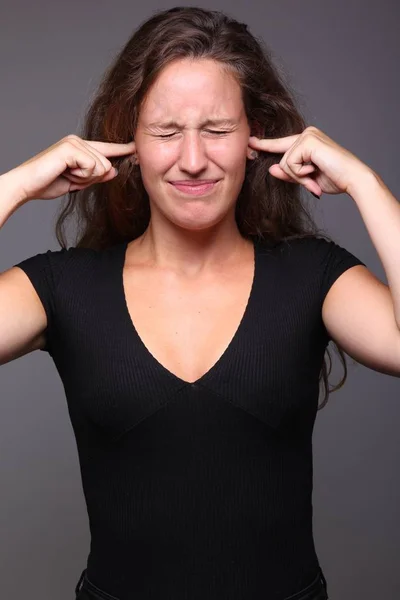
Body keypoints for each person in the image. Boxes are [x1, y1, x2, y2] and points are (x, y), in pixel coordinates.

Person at [1, 6, 399, 600]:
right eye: (165, 132)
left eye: (216, 130)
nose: (192, 160)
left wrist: (365, 182)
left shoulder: (313, 275)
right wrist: (17, 184)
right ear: (129, 140)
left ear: (254, 137)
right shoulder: (62, 288)